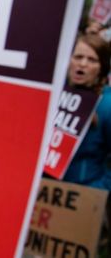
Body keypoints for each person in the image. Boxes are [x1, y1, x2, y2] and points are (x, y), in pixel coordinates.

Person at [63, 34, 111, 190]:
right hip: (45, 190)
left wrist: (98, 190)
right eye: (78, 57)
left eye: (92, 60)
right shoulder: (53, 95)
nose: (82, 64)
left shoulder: (106, 105)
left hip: (83, 194)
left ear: (101, 68)